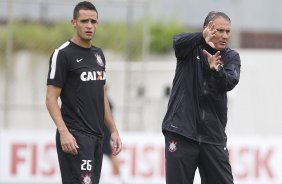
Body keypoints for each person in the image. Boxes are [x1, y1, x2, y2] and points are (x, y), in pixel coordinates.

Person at [45, 1, 122, 184]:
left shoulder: (98, 55)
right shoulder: (62, 54)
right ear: (74, 22)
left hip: (97, 137)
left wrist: (113, 130)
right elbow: (50, 98)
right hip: (75, 137)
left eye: (93, 22)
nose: (89, 26)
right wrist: (64, 132)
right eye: (84, 21)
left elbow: (101, 95)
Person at [162, 11, 241, 184]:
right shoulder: (190, 48)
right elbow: (177, 42)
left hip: (212, 136)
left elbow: (229, 82)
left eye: (227, 31)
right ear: (207, 28)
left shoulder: (231, 57)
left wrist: (217, 70)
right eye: (219, 30)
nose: (224, 35)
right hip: (181, 132)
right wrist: (200, 37)